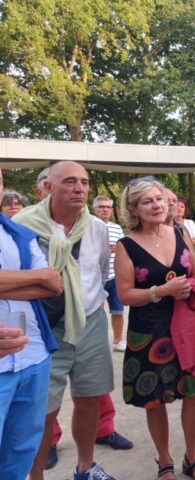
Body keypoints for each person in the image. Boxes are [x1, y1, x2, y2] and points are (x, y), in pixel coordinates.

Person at [15, 161, 118, 480]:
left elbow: (101, 271)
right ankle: (35, 476)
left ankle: (85, 468)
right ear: (48, 187)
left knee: (89, 399)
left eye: (84, 182)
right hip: (44, 328)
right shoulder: (23, 225)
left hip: (90, 321)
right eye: (70, 181)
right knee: (42, 409)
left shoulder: (97, 227)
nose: (79, 188)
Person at [115, 176, 195, 480]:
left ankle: (192, 458)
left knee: (193, 393)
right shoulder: (126, 246)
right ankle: (165, 459)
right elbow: (124, 295)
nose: (157, 205)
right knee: (154, 399)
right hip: (148, 333)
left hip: (184, 328)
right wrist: (161, 291)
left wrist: (190, 286)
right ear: (134, 209)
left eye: (159, 199)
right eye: (148, 201)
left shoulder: (180, 233)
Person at [0, 167, 63, 480]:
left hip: (33, 354)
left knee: (22, 448)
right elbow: (41, 277)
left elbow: (53, 285)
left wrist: (11, 282)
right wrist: (34, 276)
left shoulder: (18, 233)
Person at [92, 196, 126, 351]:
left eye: (108, 207)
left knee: (118, 310)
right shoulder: (87, 225)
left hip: (114, 276)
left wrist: (118, 249)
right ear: (94, 209)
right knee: (94, 312)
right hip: (95, 277)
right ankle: (95, 343)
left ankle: (118, 341)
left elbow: (124, 249)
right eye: (101, 206)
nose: (105, 209)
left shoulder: (117, 228)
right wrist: (103, 249)